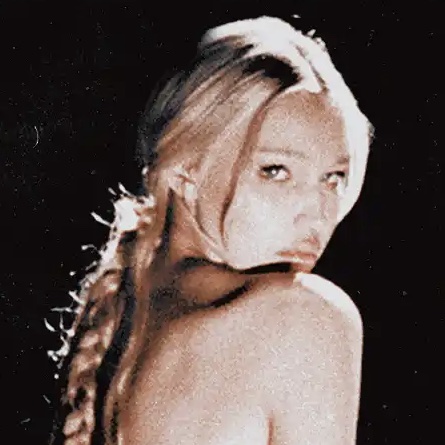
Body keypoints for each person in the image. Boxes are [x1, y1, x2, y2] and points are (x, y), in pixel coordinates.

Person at [48, 15, 373, 445]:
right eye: (275, 171)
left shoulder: (119, 329)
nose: (317, 214)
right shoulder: (301, 316)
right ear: (186, 170)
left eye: (333, 179)